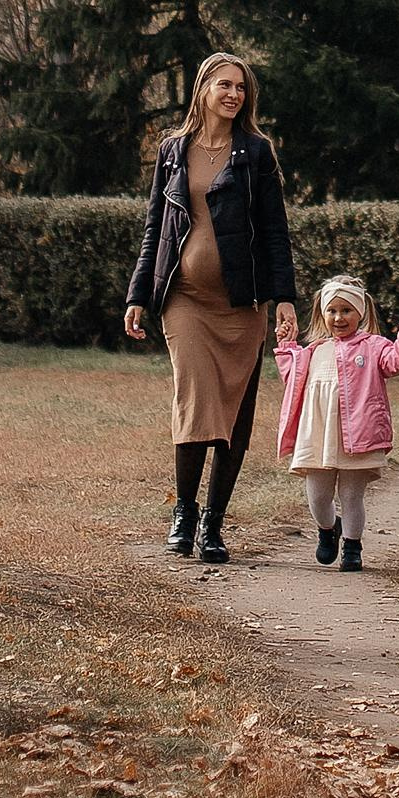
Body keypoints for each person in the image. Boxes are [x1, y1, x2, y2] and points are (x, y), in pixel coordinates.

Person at [124, 54, 298, 564]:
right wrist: (139, 294)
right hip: (186, 302)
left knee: (235, 416)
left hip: (242, 308)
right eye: (224, 84)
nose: (233, 94)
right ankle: (183, 513)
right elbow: (155, 228)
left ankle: (214, 523)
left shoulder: (256, 153)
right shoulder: (173, 152)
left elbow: (273, 231)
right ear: (202, 88)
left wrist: (284, 297)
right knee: (196, 403)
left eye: (241, 88)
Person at [274, 274, 399, 570]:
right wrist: (286, 346)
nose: (339, 317)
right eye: (332, 311)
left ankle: (353, 547)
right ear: (322, 314)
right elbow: (292, 380)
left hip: (359, 435)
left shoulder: (374, 347)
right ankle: (328, 529)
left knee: (351, 494)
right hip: (317, 437)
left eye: (346, 310)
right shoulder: (313, 351)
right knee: (318, 496)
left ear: (360, 313)